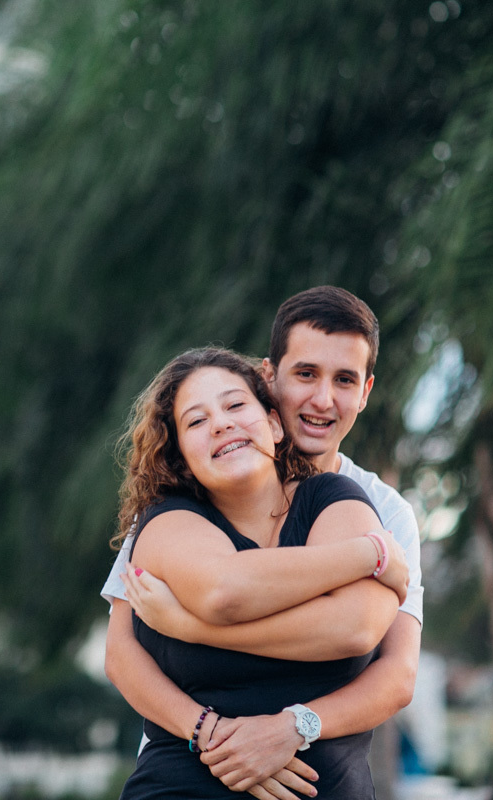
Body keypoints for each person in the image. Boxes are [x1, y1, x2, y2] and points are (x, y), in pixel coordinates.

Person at [103, 287, 423, 799]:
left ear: (365, 392)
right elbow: (123, 654)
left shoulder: (380, 508)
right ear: (271, 379)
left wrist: (290, 726)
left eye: (343, 380)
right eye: (305, 374)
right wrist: (371, 554)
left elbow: (380, 657)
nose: (322, 399)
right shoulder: (169, 517)